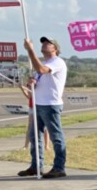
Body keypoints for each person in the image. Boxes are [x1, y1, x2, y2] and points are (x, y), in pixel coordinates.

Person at [18, 36, 68, 178]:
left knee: (56, 136)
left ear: (55, 48)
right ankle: (36, 166)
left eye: (48, 43)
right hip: (39, 103)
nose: (45, 44)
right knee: (35, 136)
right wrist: (32, 82)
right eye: (43, 43)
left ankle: (59, 167)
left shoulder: (57, 62)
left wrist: (30, 50)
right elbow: (39, 75)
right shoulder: (46, 62)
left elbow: (41, 69)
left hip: (51, 104)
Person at [18, 77, 50, 152]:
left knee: (45, 127)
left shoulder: (41, 84)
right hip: (32, 107)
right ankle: (26, 145)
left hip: (41, 106)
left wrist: (31, 89)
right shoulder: (29, 85)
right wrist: (23, 89)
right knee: (30, 126)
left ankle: (47, 145)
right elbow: (29, 97)